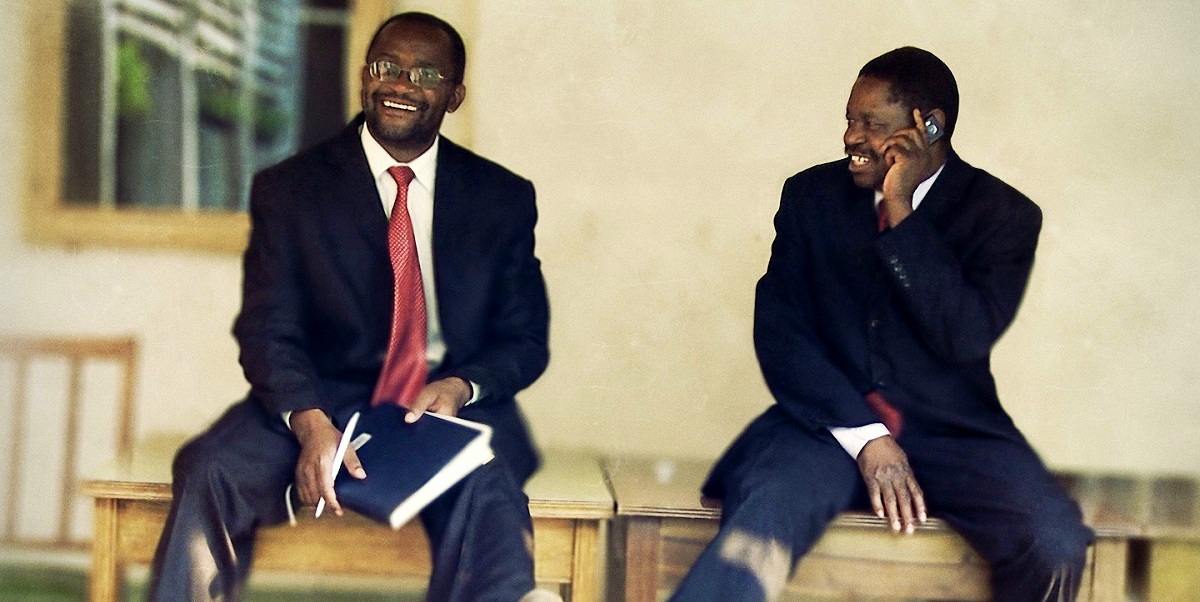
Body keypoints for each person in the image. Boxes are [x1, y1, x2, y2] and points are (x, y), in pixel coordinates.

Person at [148, 12, 559, 602]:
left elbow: (524, 339)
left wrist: (462, 387)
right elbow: (269, 327)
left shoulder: (502, 198)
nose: (400, 83)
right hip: (321, 395)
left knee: (487, 487)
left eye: (425, 73)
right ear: (364, 76)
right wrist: (308, 420)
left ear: (455, 94)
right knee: (210, 469)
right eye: (386, 66)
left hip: (439, 405)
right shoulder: (289, 189)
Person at [669, 47, 1092, 602]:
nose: (850, 136)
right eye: (849, 120)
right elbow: (782, 331)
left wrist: (901, 209)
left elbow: (962, 336)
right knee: (759, 533)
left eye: (871, 124)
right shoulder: (810, 197)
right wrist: (867, 437)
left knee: (1055, 541)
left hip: (953, 435)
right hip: (826, 428)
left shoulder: (1004, 215)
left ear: (929, 127)